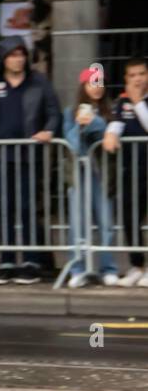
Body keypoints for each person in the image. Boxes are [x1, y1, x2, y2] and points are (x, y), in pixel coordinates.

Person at [0, 36, 61, 285]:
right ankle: (6, 261)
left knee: (26, 208)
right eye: (12, 54)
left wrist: (48, 130)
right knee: (3, 209)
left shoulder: (38, 82)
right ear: (3, 58)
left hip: (27, 154)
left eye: (21, 54)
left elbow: (53, 112)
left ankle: (31, 261)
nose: (18, 59)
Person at [64, 68, 118, 288]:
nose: (97, 87)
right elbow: (72, 144)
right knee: (77, 223)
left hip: (101, 174)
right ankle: (78, 268)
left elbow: (109, 130)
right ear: (83, 86)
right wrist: (79, 125)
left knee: (106, 222)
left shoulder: (109, 110)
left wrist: (94, 122)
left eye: (100, 83)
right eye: (92, 83)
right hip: (78, 175)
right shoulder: (70, 112)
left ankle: (108, 268)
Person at [102, 57, 148, 287]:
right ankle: (137, 265)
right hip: (132, 169)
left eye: (141, 73)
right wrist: (110, 134)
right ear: (126, 79)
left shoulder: (140, 100)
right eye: (132, 75)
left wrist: (138, 101)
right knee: (130, 218)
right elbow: (116, 123)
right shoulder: (122, 102)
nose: (137, 79)